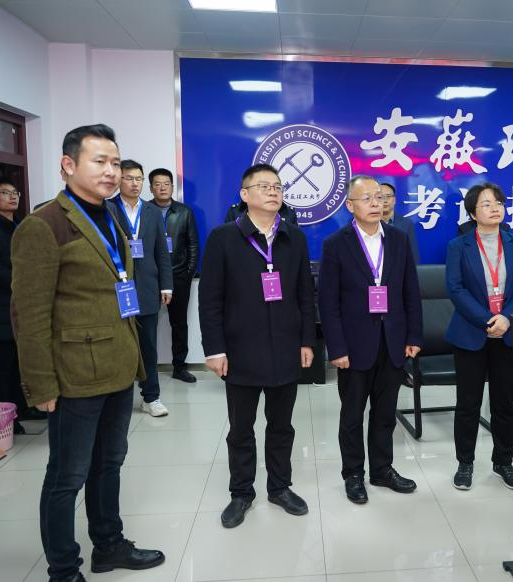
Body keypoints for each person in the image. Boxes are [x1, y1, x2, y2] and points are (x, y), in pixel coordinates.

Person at [11, 124, 164, 582]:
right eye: (100, 161)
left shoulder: (111, 216)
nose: (111, 171)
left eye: (115, 162)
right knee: (67, 477)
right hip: (75, 375)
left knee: (109, 464)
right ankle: (63, 569)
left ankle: (109, 545)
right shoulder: (44, 225)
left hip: (117, 366)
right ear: (68, 164)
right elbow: (29, 315)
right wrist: (41, 385)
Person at [199, 163, 316, 528]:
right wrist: (214, 349)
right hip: (240, 350)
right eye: (263, 186)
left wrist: (307, 340)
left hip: (286, 347)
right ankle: (241, 492)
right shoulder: (223, 238)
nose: (272, 191)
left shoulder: (294, 238)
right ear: (244, 194)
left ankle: (280, 487)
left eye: (277, 186)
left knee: (282, 426)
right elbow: (209, 299)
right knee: (241, 429)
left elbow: (305, 294)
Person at [318, 175, 423, 504]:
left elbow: (411, 291)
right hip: (354, 345)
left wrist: (413, 335)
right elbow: (328, 302)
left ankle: (382, 469)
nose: (377, 203)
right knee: (352, 415)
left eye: (380, 197)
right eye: (368, 199)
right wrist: (336, 348)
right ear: (350, 205)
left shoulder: (398, 239)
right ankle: (353, 474)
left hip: (393, 341)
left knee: (385, 413)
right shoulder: (336, 244)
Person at [445, 182, 513, 491]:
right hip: (471, 334)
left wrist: (506, 318)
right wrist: (488, 320)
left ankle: (503, 462)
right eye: (486, 204)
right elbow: (455, 289)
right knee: (467, 405)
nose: (495, 208)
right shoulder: (458, 246)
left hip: (507, 335)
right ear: (472, 213)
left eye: (498, 202)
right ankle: (465, 463)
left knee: (504, 403)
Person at [0, 177, 46, 434]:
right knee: (4, 363)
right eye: (5, 193)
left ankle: (25, 407)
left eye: (15, 192)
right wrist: (25, 282)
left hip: (26, 306)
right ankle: (6, 419)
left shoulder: (22, 226)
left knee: (22, 361)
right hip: (2, 307)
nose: (13, 196)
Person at [108, 160, 173, 417]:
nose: (135, 183)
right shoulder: (106, 208)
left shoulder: (152, 212)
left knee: (148, 346)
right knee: (117, 346)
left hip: (147, 287)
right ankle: (116, 398)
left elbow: (162, 252)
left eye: (139, 179)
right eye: (129, 178)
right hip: (116, 288)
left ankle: (151, 397)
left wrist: (166, 285)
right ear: (118, 180)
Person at [148, 168, 199, 383]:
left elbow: (193, 245)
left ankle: (180, 367)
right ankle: (146, 370)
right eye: (157, 184)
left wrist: (187, 274)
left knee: (179, 324)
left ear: (172, 187)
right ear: (151, 188)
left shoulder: (184, 212)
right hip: (150, 277)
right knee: (147, 324)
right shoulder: (144, 210)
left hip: (178, 276)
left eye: (166, 184)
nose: (162, 188)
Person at [379, 182, 419, 264]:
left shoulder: (406, 224)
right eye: (381, 197)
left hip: (400, 269)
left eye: (388, 196)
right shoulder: (369, 224)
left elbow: (412, 254)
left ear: (394, 200)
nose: (385, 200)